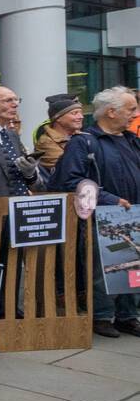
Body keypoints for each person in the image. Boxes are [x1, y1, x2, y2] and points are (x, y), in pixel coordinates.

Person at [53, 86, 140, 339]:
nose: (135, 114)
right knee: (104, 269)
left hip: (132, 215)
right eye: (131, 109)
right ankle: (103, 317)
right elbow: (69, 181)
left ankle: (127, 317)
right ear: (111, 112)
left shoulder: (131, 140)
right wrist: (109, 198)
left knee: (133, 268)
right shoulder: (84, 142)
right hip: (102, 216)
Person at [33, 93, 84, 174]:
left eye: (80, 112)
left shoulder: (81, 134)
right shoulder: (45, 140)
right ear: (58, 118)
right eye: (74, 113)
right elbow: (68, 169)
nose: (81, 117)